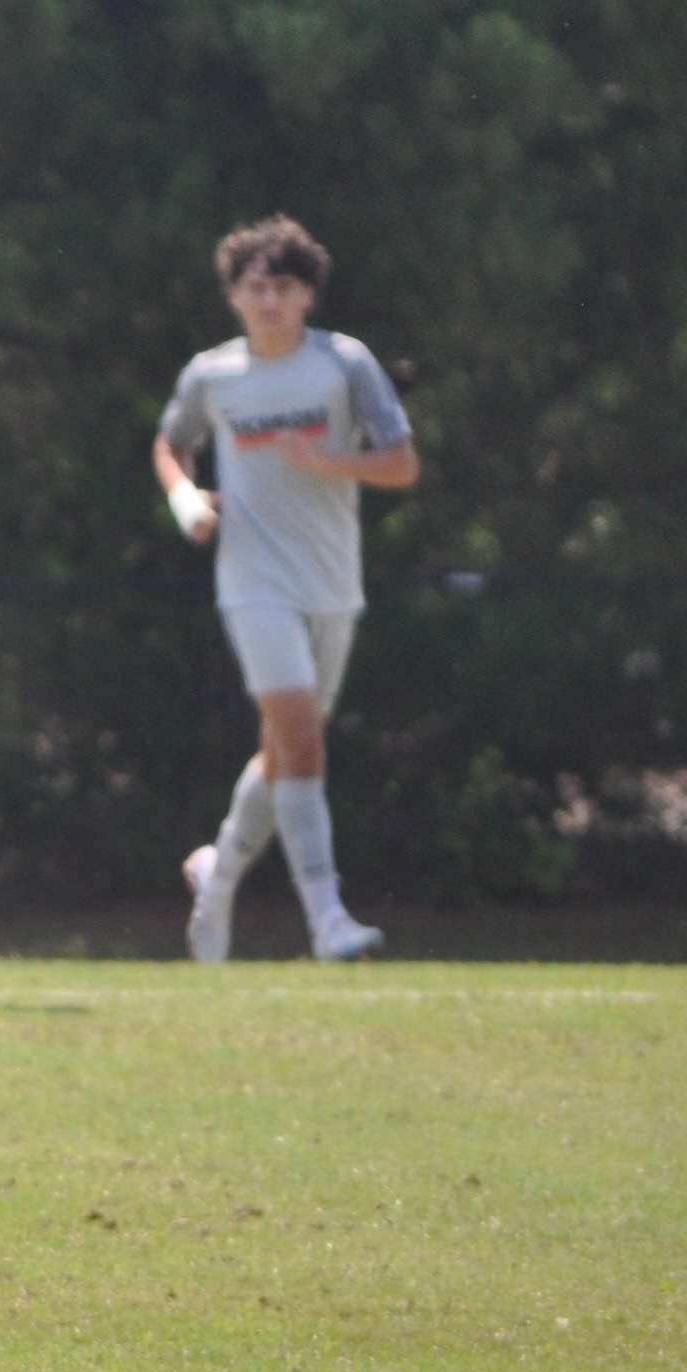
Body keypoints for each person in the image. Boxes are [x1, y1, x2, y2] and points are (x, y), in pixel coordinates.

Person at [156, 216, 415, 963]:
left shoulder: (344, 364)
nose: (268, 301)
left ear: (307, 295)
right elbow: (172, 443)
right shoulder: (213, 374)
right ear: (234, 295)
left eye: (283, 287)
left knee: (285, 750)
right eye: (254, 287)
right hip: (253, 582)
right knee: (300, 737)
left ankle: (219, 872)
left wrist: (326, 460)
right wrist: (187, 500)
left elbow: (401, 464)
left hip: (332, 583)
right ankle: (328, 918)